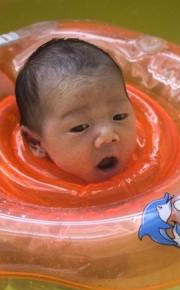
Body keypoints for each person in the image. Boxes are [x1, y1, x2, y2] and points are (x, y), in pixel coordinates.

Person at [15, 38, 137, 183]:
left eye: (119, 116)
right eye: (80, 127)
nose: (108, 136)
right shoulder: (30, 198)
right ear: (36, 142)